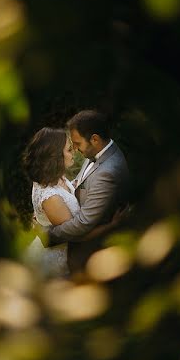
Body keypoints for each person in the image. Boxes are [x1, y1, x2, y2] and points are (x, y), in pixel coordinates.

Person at [45, 110, 130, 274]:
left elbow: (84, 223)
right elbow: (82, 182)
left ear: (95, 139)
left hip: (91, 254)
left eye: (77, 144)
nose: (75, 149)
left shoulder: (107, 172)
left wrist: (49, 234)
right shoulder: (100, 152)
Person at [22, 127, 79, 278]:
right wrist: (111, 224)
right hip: (60, 263)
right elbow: (75, 234)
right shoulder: (50, 197)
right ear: (55, 157)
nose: (74, 152)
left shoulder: (55, 178)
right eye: (69, 150)